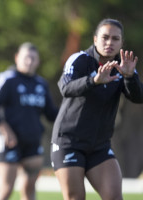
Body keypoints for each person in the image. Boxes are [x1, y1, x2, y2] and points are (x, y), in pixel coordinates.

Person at [51, 18, 143, 200]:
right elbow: (66, 88)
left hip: (99, 145)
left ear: (121, 43)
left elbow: (138, 97)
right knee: (76, 197)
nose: (109, 42)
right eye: (105, 37)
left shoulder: (124, 67)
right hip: (69, 142)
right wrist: (94, 81)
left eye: (115, 39)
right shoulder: (79, 60)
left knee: (114, 197)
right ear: (95, 40)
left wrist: (129, 77)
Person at [0, 42, 58, 200]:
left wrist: (72, 108)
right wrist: (5, 130)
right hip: (8, 142)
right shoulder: (7, 79)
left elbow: (51, 114)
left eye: (33, 58)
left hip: (32, 142)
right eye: (26, 58)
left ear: (38, 61)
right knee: (6, 189)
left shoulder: (41, 84)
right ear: (17, 58)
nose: (29, 62)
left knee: (29, 189)